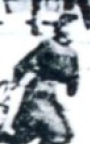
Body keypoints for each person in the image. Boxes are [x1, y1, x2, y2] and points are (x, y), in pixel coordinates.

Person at [4, 12, 80, 144]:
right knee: (58, 135)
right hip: (39, 97)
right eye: (69, 26)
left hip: (40, 98)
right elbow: (72, 83)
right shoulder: (53, 47)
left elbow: (21, 66)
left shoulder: (66, 51)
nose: (73, 31)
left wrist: (18, 81)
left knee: (25, 135)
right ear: (60, 28)